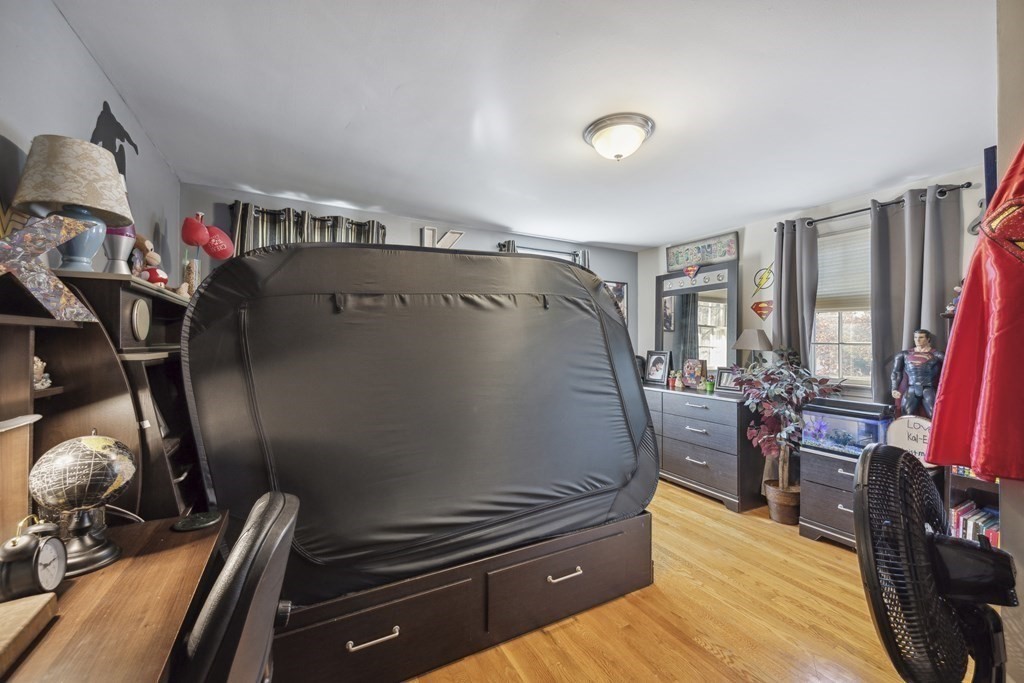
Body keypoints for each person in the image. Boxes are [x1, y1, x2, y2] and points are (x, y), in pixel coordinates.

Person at [891, 329, 944, 418]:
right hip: (912, 388)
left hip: (928, 388)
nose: (918, 340)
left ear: (928, 339)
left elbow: (950, 369)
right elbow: (896, 372)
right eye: (915, 337)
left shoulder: (937, 354)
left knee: (935, 416)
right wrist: (894, 388)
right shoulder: (904, 354)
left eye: (921, 337)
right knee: (905, 415)